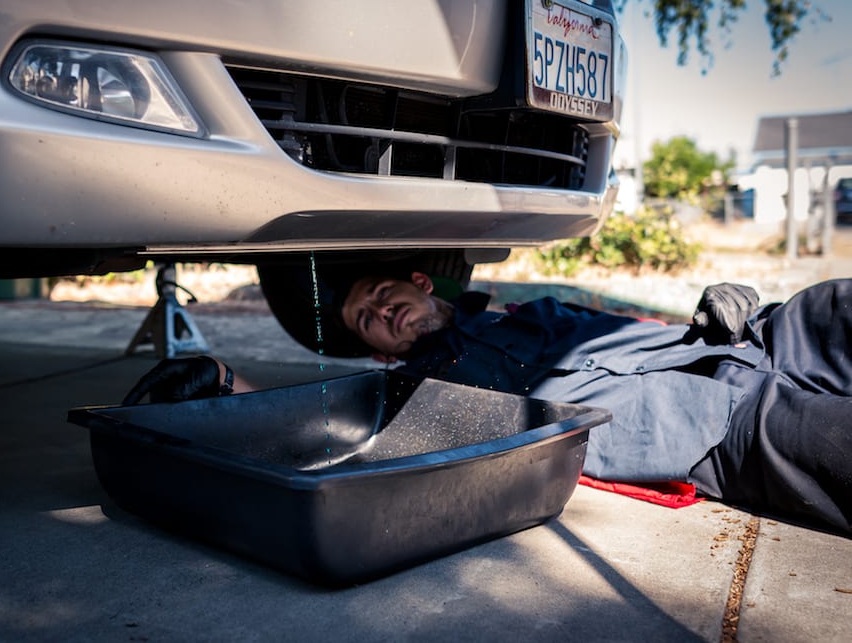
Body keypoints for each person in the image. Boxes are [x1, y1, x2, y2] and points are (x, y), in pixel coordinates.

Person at [123, 272, 852, 536]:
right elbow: (323, 425)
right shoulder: (415, 392)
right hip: (712, 426)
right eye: (366, 319)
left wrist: (735, 300)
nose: (382, 311)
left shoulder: (531, 308)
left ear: (420, 283)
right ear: (377, 349)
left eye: (383, 293)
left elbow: (645, 330)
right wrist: (222, 385)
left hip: (761, 335)